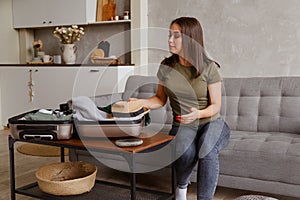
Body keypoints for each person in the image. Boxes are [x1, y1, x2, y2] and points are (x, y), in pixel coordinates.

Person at [129, 17, 230, 200]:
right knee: (185, 149)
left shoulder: (209, 68)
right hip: (183, 124)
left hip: (211, 122)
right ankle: (181, 189)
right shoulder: (167, 67)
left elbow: (216, 105)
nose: (169, 40)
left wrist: (198, 114)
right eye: (170, 35)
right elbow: (160, 99)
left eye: (176, 36)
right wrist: (140, 103)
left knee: (206, 147)